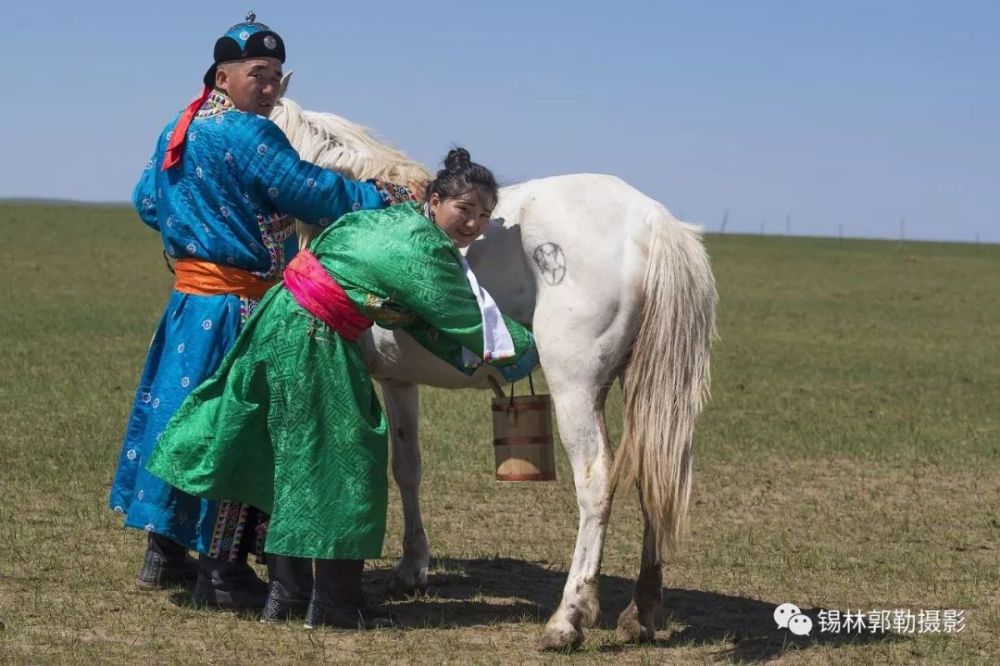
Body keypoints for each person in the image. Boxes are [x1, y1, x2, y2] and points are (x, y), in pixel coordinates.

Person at [146, 148, 539, 629]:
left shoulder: (384, 220)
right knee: (347, 459)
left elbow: (408, 316)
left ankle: (288, 595)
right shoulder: (421, 249)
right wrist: (536, 352)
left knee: (289, 458)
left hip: (277, 323)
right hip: (315, 336)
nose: (473, 225)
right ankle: (336, 604)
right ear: (435, 201)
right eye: (464, 210)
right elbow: (467, 319)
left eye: (483, 216)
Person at [108, 12, 414, 609]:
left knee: (181, 419)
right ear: (222, 75)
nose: (271, 86)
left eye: (276, 75)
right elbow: (311, 191)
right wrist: (383, 194)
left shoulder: (181, 123)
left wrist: (194, 229)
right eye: (258, 74)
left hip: (188, 302)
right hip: (237, 309)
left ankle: (164, 552)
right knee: (238, 432)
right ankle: (220, 575)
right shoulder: (249, 133)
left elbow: (147, 200)